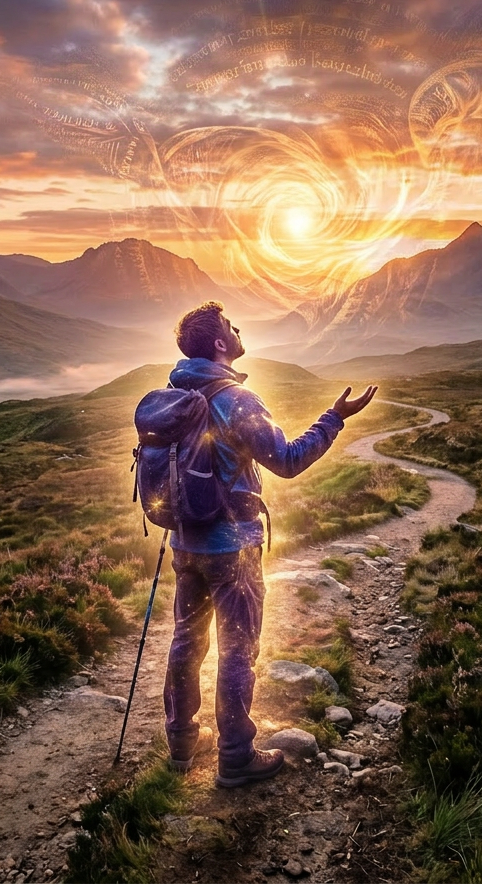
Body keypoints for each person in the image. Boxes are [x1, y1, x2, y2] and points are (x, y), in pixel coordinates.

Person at [163, 300, 377, 787]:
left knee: (186, 641)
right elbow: (286, 460)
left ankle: (180, 742)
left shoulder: (173, 394)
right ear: (220, 343)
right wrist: (334, 418)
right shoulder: (236, 400)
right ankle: (235, 757)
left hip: (183, 542)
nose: (239, 330)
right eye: (231, 327)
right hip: (231, 549)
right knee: (237, 650)